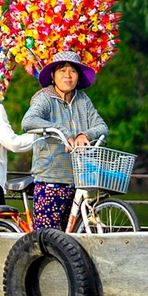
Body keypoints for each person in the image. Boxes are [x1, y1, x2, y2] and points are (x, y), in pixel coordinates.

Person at [19, 50, 107, 231]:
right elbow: (28, 121)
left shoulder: (83, 100)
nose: (67, 75)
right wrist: (63, 132)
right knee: (48, 239)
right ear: (53, 75)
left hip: (80, 180)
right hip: (50, 179)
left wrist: (85, 135)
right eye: (62, 70)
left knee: (74, 240)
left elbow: (101, 126)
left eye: (72, 71)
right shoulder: (44, 98)